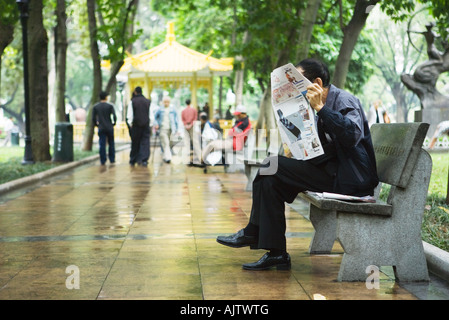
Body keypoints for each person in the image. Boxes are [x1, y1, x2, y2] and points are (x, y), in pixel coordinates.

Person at [216, 58, 379, 271]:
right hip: (330, 173)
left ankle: (252, 231)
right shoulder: (310, 106)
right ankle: (276, 253)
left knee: (271, 165)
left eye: (297, 84)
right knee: (270, 175)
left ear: (317, 83)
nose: (293, 91)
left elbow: (352, 135)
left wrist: (321, 108)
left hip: (351, 180)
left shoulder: (343, 100)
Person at [127, 86, 151, 166]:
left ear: (135, 92)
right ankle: (144, 159)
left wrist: (130, 123)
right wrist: (151, 124)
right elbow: (150, 115)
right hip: (146, 124)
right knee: (145, 142)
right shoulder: (148, 101)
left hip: (136, 125)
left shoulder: (133, 101)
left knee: (135, 142)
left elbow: (130, 114)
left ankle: (133, 159)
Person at [92, 91, 117, 165]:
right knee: (111, 143)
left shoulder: (96, 107)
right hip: (109, 127)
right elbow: (114, 116)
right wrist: (113, 123)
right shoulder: (110, 106)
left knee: (102, 144)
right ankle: (112, 159)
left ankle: (103, 160)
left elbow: (93, 118)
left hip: (101, 127)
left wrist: (97, 125)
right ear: (106, 97)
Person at [154, 96, 180, 163]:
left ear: (169, 102)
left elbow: (176, 120)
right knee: (165, 143)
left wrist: (177, 129)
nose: (166, 103)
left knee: (170, 143)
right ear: (163, 102)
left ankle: (165, 155)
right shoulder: (159, 109)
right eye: (165, 102)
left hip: (171, 129)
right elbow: (155, 118)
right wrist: (156, 124)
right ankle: (168, 157)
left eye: (167, 102)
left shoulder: (173, 109)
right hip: (162, 129)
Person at [181, 98, 198, 164]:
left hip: (186, 126)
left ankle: (187, 153)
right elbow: (195, 118)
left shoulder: (183, 111)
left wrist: (186, 125)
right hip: (192, 126)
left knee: (187, 140)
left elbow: (182, 119)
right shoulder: (194, 110)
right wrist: (191, 125)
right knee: (195, 140)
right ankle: (197, 152)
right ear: (190, 102)